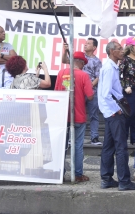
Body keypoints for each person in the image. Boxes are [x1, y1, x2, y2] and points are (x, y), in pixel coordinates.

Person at [98, 41, 135, 191]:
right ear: (111, 52)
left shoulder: (111, 67)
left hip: (109, 112)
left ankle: (107, 178)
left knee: (108, 146)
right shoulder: (109, 68)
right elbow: (106, 93)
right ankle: (124, 181)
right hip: (114, 112)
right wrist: (117, 109)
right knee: (121, 147)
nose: (123, 51)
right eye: (119, 49)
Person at [55, 52, 94, 182]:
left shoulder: (61, 73)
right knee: (77, 146)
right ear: (81, 63)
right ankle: (77, 174)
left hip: (62, 115)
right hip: (78, 115)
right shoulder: (84, 75)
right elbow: (90, 96)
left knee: (62, 145)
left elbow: (56, 93)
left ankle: (59, 173)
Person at [62, 38, 103, 145]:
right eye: (85, 43)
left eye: (89, 44)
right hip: (78, 90)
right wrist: (64, 51)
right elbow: (64, 60)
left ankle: (94, 137)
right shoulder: (79, 57)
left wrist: (89, 86)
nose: (85, 45)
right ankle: (71, 137)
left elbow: (98, 77)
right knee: (74, 113)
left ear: (94, 48)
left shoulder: (97, 61)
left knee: (94, 115)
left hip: (91, 90)